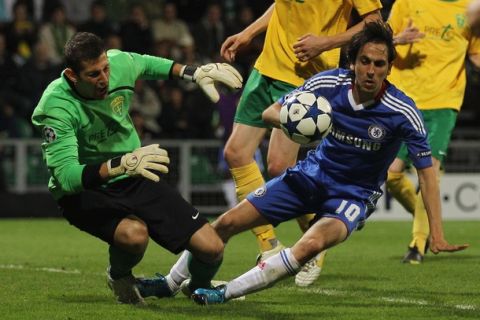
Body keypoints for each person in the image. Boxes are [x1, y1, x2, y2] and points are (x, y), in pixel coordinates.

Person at [167, 21, 467, 305]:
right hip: (309, 176)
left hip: (352, 196)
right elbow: (270, 112)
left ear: (389, 67)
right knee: (226, 223)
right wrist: (295, 122)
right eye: (365, 61)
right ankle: (170, 281)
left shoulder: (402, 111)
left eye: (379, 64)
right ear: (353, 62)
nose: (371, 71)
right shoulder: (328, 83)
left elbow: (427, 175)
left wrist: (436, 234)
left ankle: (224, 293)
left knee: (310, 246)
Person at [31, 32, 243, 305]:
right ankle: (118, 275)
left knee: (211, 248)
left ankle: (199, 288)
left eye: (106, 69)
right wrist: (122, 164)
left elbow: (146, 64)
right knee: (134, 237)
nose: (104, 79)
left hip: (133, 172)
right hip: (86, 189)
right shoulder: (56, 106)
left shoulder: (119, 63)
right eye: (94, 74)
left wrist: (191, 72)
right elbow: (68, 178)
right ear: (72, 76)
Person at [219, 0, 383, 286]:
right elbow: (284, 6)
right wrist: (250, 32)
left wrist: (326, 43)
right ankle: (269, 245)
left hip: (301, 74)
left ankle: (314, 244)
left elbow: (376, 22)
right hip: (266, 67)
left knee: (279, 166)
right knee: (236, 153)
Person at [385, 0, 480, 264]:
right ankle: (424, 217)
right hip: (405, 100)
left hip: (443, 103)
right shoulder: (407, 2)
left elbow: (474, 53)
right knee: (391, 175)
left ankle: (418, 243)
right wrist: (399, 39)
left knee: (429, 174)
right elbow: (380, 39)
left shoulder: (470, 9)